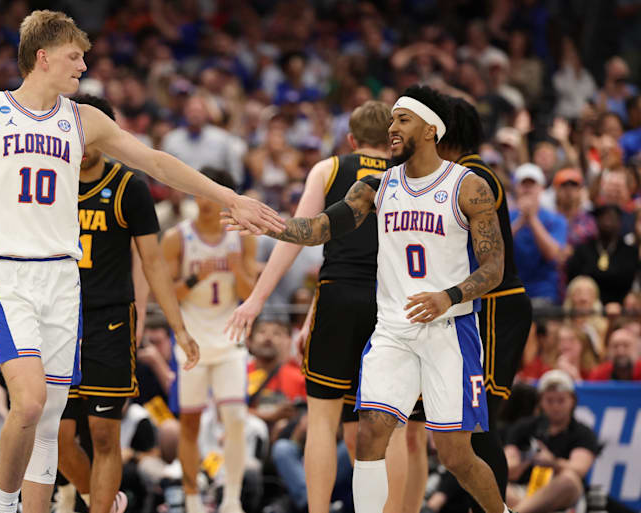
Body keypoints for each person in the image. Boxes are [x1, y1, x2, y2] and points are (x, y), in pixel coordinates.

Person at [0, 10, 283, 513]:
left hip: (64, 277)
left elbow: (157, 162)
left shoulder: (84, 120)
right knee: (30, 402)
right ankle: (5, 503)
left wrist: (228, 197)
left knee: (50, 420)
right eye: (75, 56)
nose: (83, 66)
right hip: (7, 274)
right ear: (43, 57)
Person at [225, 85, 511, 513]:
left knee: (456, 456)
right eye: (392, 120)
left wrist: (448, 296)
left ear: (431, 129)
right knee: (371, 432)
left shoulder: (468, 187)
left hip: (448, 329)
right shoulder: (375, 186)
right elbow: (321, 227)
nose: (392, 128)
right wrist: (270, 226)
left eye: (402, 120)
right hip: (391, 331)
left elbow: (494, 268)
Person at [227, 100, 426, 513]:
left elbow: (296, 240)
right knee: (392, 426)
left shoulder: (331, 168)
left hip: (338, 294)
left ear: (351, 139)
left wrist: (256, 299)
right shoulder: (411, 176)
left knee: (321, 421)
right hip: (394, 302)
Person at [49, 94, 199, 513]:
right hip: (56, 318)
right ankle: (100, 500)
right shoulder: (48, 181)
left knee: (102, 435)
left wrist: (179, 328)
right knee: (57, 441)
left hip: (109, 319)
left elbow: (152, 264)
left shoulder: (129, 186)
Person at [437, 95, 533, 512]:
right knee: (469, 426)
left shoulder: (475, 177)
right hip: (482, 308)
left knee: (481, 421)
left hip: (497, 306)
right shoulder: (460, 175)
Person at [161, 168, 257, 513]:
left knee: (235, 418)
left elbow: (251, 295)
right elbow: (165, 294)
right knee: (190, 423)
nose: (209, 200)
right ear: (194, 194)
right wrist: (193, 277)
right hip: (192, 344)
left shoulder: (241, 237)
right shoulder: (177, 238)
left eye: (217, 194)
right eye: (204, 192)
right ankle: (191, 499)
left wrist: (236, 270)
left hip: (230, 339)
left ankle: (232, 498)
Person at [504, 370, 599, 513]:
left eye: (561, 400)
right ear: (541, 401)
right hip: (521, 491)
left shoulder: (583, 433)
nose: (555, 406)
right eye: (549, 400)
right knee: (491, 483)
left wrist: (552, 462)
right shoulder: (523, 427)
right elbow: (506, 467)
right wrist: (527, 460)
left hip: (557, 494)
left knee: (570, 480)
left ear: (572, 400)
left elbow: (579, 469)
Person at [509, 163, 567, 306]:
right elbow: (497, 252)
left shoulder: (556, 220)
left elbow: (553, 255)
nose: (527, 189)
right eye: (523, 184)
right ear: (516, 188)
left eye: (532, 185)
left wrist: (532, 219)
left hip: (544, 292)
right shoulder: (506, 218)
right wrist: (521, 220)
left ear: (541, 188)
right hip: (512, 292)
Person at [566, 203, 639, 306]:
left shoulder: (630, 252)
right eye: (604, 217)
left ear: (620, 223)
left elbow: (628, 280)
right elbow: (574, 278)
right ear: (596, 221)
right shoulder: (583, 249)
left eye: (612, 218)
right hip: (586, 306)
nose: (608, 222)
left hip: (620, 307)